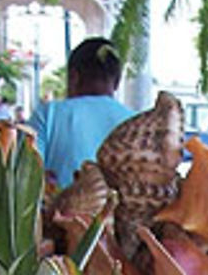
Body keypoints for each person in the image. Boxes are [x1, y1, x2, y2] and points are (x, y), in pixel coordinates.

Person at [28, 36, 132, 190]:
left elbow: (28, 175)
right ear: (117, 81)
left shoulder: (48, 114)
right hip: (125, 214)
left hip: (61, 212)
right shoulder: (136, 121)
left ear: (74, 76)